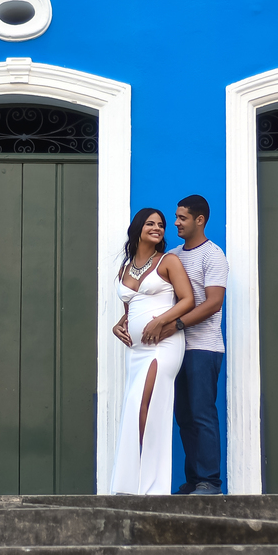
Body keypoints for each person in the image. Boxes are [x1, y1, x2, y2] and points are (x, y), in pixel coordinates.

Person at [141, 195, 228, 495]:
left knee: (202, 413)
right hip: (175, 349)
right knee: (184, 416)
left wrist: (175, 324)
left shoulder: (213, 255)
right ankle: (194, 480)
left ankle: (210, 482)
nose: (175, 222)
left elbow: (214, 303)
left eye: (182, 218)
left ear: (199, 220)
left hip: (204, 347)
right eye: (175, 217)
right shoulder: (174, 255)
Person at [109, 208, 194, 495]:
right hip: (136, 351)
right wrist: (119, 326)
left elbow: (188, 300)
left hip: (163, 345)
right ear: (138, 228)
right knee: (136, 407)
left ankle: (151, 486)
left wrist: (160, 321)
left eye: (161, 225)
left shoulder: (168, 261)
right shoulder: (125, 267)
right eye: (150, 223)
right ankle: (129, 483)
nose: (157, 228)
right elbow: (129, 309)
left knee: (147, 406)